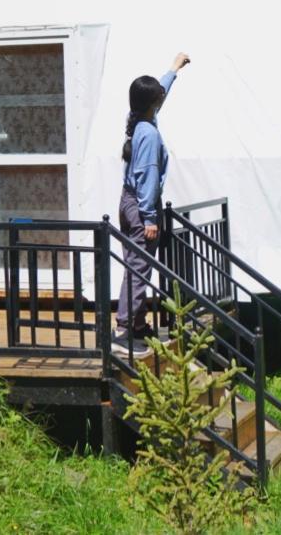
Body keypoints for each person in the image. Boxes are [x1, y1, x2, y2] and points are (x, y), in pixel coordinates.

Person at [114, 52, 190, 355]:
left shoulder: (137, 120)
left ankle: (136, 323)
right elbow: (147, 176)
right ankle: (122, 331)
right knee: (138, 269)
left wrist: (173, 70)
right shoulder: (148, 133)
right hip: (140, 206)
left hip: (127, 201)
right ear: (153, 103)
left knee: (133, 264)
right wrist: (149, 219)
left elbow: (158, 95)